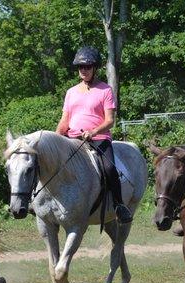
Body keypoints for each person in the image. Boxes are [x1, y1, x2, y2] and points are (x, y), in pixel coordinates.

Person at [55, 46, 132, 224]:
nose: (84, 70)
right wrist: (56, 137)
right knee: (50, 162)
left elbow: (110, 120)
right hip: (72, 139)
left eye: (88, 67)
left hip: (99, 139)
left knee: (109, 168)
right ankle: (43, 202)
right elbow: (64, 120)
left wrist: (94, 131)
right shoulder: (71, 92)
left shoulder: (105, 91)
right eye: (81, 67)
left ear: (95, 68)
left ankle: (119, 205)